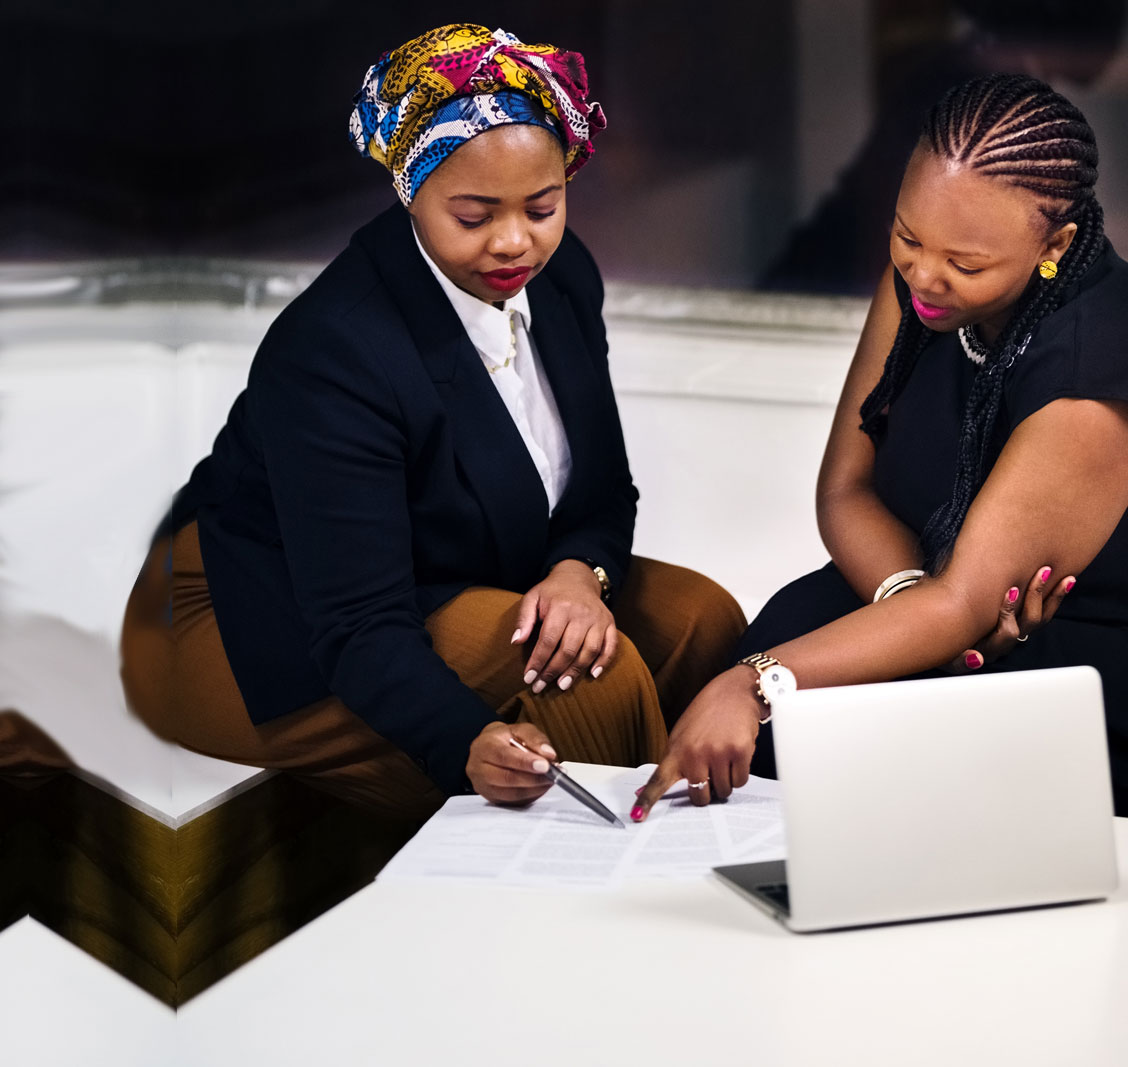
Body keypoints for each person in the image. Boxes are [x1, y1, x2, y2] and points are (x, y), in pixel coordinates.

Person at [120, 24, 744, 825]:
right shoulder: (334, 348)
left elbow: (601, 492)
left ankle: (733, 847)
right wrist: (462, 740)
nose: (516, 240)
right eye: (475, 213)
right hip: (259, 609)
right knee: (590, 677)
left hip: (443, 567)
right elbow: (355, 619)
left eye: (542, 206)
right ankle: (625, 889)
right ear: (410, 190)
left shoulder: (562, 280)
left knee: (707, 620)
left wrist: (577, 573)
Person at [634, 73, 1128, 821]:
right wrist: (904, 601)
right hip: (919, 589)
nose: (923, 278)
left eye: (966, 265)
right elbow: (844, 488)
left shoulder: (1093, 369)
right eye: (906, 235)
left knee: (788, 710)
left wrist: (758, 683)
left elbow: (968, 607)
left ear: (1054, 243)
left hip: (1057, 646)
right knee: (776, 641)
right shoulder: (923, 278)